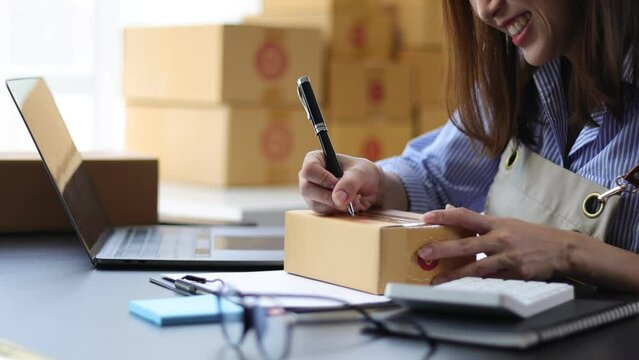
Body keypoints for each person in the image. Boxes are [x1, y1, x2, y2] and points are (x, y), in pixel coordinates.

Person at [298, 0, 639, 291]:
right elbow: (435, 177)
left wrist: (572, 252)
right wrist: (375, 183)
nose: (485, 9)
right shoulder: (515, 77)